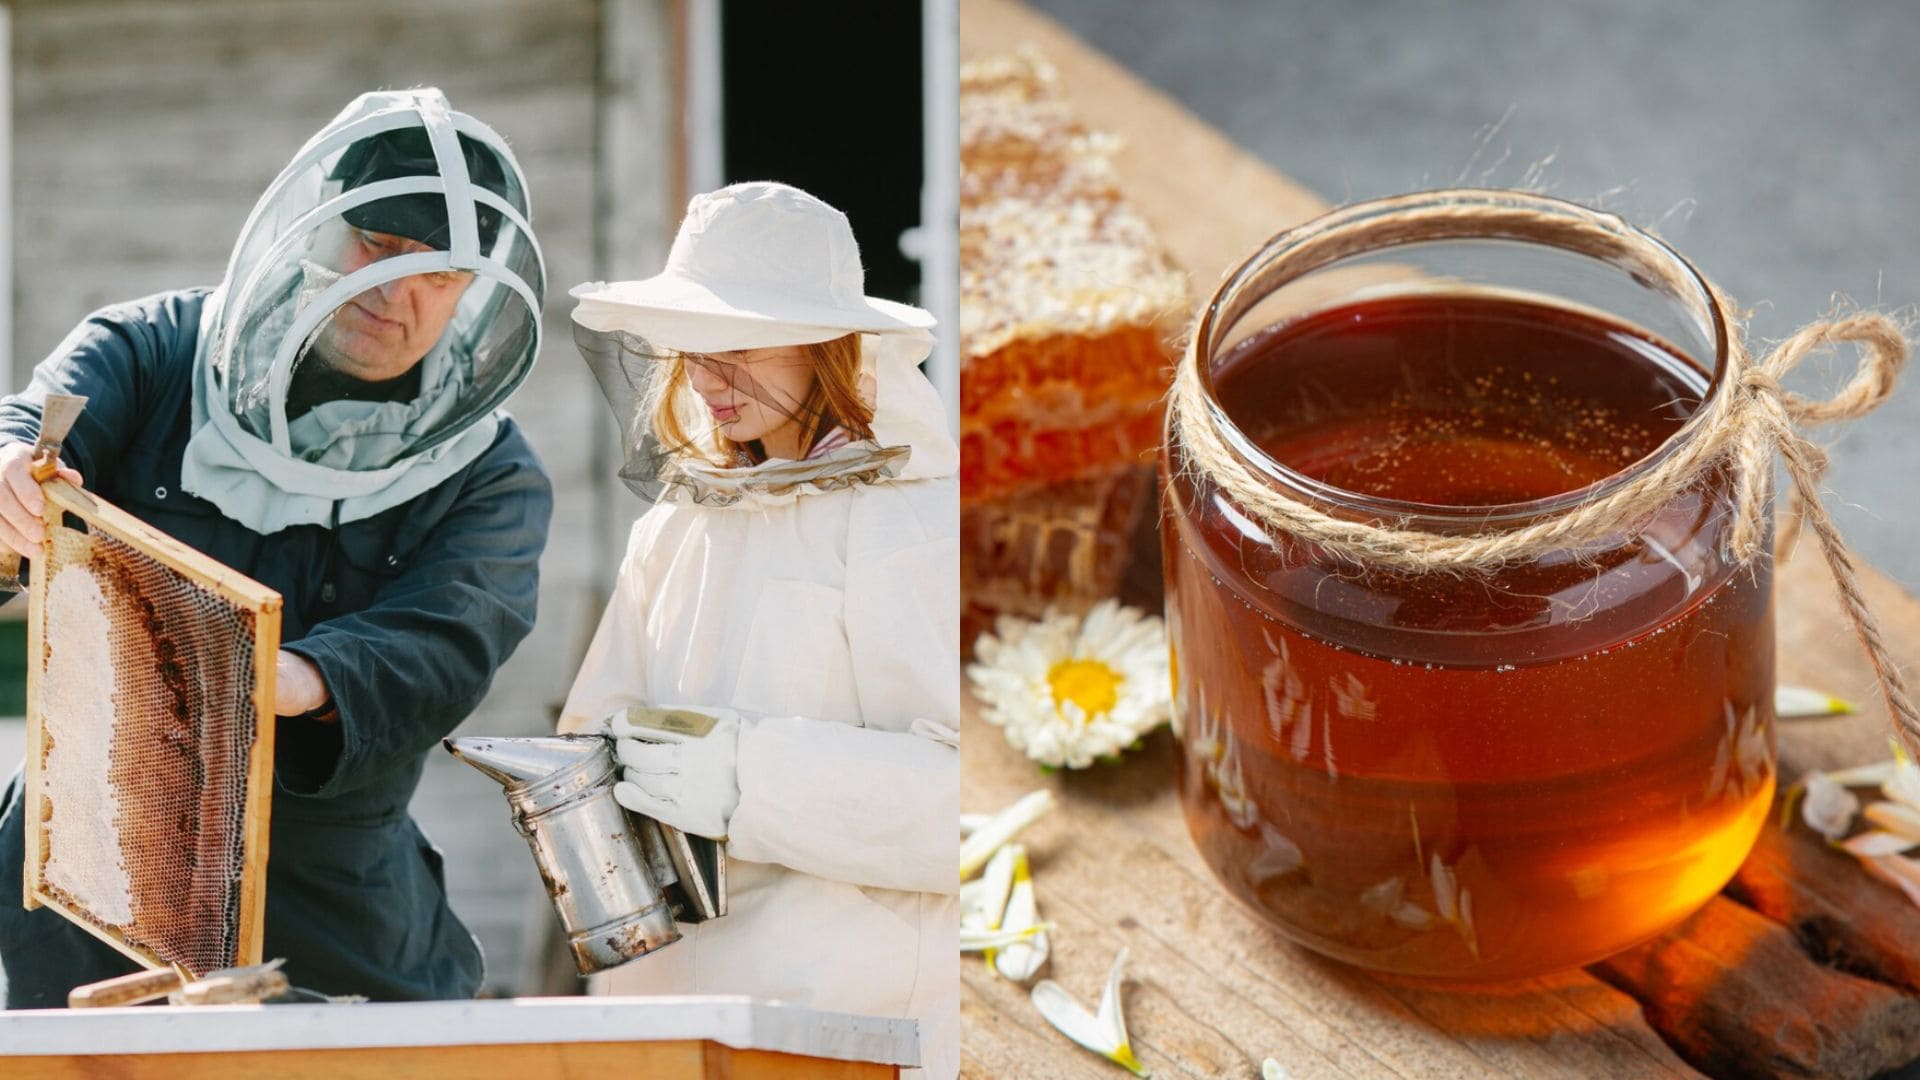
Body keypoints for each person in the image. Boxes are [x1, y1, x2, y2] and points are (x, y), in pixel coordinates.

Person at [0, 87, 552, 1004]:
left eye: (440, 275)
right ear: (319, 223)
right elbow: (25, 432)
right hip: (91, 863)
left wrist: (282, 676)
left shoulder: (491, 472)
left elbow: (447, 641)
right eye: (377, 245)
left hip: (336, 897)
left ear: (475, 289)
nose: (397, 293)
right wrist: (8, 479)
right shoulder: (147, 351)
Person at [562, 181, 959, 1078]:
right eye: (692, 349)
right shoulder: (673, 526)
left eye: (736, 346)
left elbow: (965, 811)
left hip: (847, 1023)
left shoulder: (912, 522)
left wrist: (750, 779)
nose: (706, 380)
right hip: (668, 1016)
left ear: (826, 344)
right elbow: (595, 735)